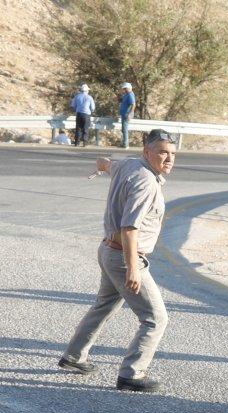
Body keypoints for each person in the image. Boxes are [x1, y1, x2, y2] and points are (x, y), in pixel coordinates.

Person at [59, 129, 177, 392]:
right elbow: (130, 227)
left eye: (172, 154)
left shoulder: (130, 164)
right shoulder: (146, 182)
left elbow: (108, 164)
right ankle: (131, 375)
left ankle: (74, 357)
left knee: (104, 305)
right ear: (147, 152)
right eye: (162, 152)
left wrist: (101, 165)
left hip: (108, 251)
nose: (168, 159)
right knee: (155, 318)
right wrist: (133, 268)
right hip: (125, 256)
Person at [118, 83, 136, 150]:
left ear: (129, 88)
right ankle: (124, 143)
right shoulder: (126, 95)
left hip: (127, 114)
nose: (124, 90)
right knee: (123, 129)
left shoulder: (130, 95)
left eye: (125, 88)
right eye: (124, 89)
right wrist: (119, 98)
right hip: (124, 114)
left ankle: (126, 144)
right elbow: (122, 101)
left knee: (125, 129)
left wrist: (130, 113)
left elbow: (133, 104)